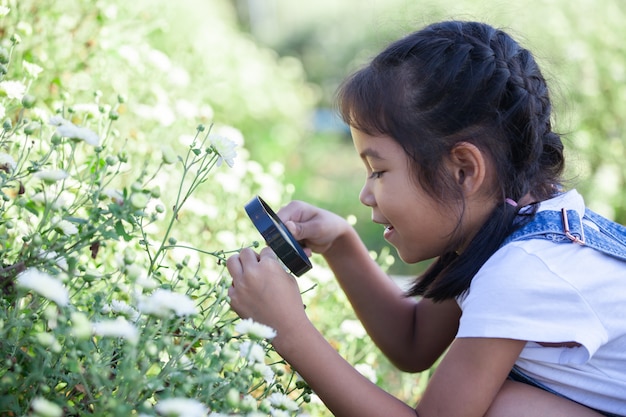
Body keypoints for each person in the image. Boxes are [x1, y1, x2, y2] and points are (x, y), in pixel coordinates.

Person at [226, 20, 626, 417]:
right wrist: (341, 244)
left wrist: (287, 329)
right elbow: (414, 341)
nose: (366, 194)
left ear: (464, 170)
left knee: (508, 410)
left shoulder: (524, 271)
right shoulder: (502, 220)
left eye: (378, 171)